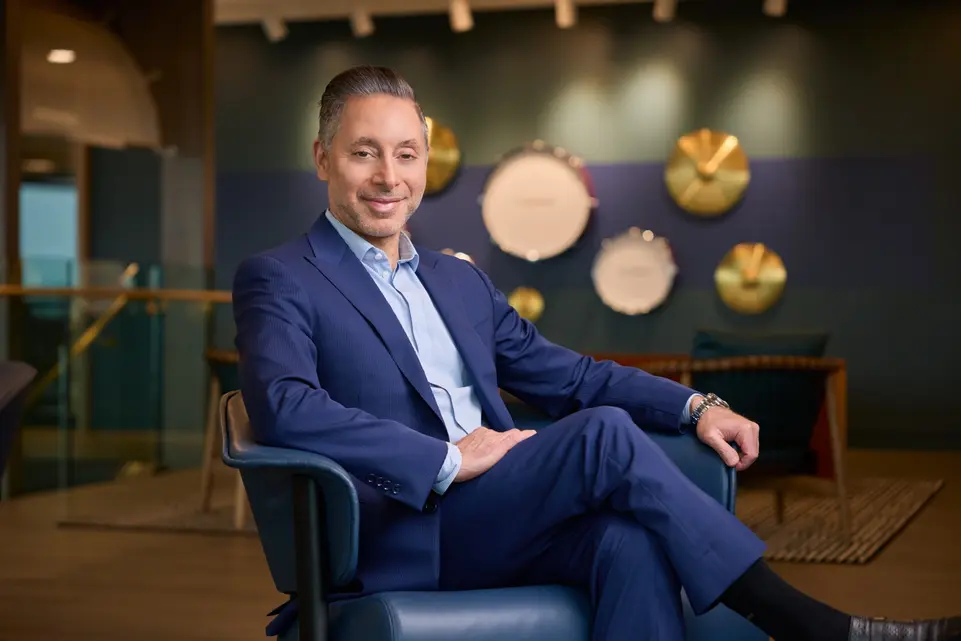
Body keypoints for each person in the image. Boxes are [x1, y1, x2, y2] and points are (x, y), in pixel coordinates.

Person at [232, 65, 959, 641]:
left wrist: (696, 405)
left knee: (626, 542)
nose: (389, 176)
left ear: (424, 162)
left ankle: (805, 625)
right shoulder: (280, 276)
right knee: (603, 436)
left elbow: (572, 377)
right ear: (323, 158)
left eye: (405, 154)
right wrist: (448, 457)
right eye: (364, 153)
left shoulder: (457, 280)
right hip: (398, 528)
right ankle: (806, 624)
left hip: (492, 512)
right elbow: (286, 408)